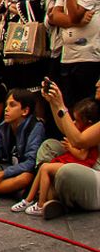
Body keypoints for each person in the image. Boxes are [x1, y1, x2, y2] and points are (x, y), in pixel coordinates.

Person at [24, 84, 99, 218]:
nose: (97, 84)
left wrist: (61, 106)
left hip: (95, 173)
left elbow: (79, 140)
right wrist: (54, 103)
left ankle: (48, 196)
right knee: (49, 146)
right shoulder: (92, 109)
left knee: (67, 171)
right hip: (85, 164)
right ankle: (49, 195)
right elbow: (68, 131)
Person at [0, 88, 46, 201]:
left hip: (22, 171)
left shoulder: (36, 127)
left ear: (25, 111)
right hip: (7, 166)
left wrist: (4, 174)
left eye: (12, 105)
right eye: (6, 105)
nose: (6, 109)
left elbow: (31, 162)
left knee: (25, 178)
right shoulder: (3, 127)